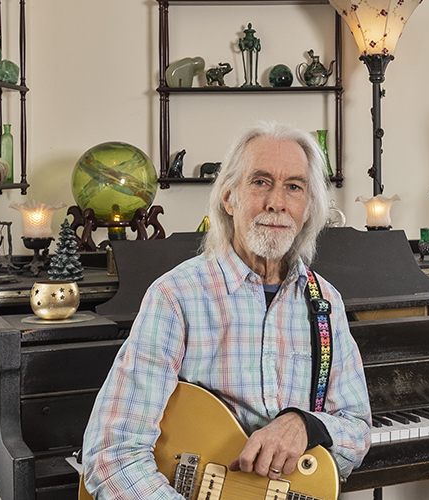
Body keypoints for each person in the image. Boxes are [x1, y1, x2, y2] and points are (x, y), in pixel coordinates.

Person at [80, 122, 372, 499]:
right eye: (260, 182)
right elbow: (111, 454)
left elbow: (358, 431)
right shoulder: (176, 297)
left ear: (308, 208)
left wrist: (305, 424)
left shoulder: (325, 303)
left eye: (294, 187)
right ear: (229, 196)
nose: (276, 202)